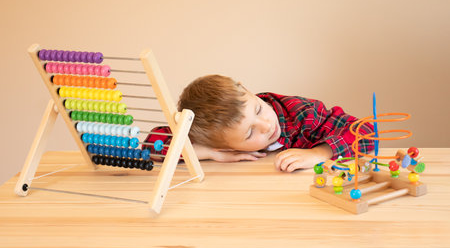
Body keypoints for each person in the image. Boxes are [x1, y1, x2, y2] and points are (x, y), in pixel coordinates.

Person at [144, 75, 374, 172]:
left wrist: (319, 153)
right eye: (250, 133)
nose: (266, 124)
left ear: (249, 92)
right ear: (225, 145)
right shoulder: (214, 133)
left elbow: (365, 131)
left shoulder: (302, 115)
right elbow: (152, 146)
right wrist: (208, 153)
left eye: (258, 109)